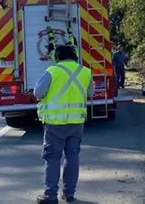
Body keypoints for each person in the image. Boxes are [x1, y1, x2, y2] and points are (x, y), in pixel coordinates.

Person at [34, 45, 94, 204]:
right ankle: (69, 193)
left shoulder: (53, 71)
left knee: (53, 158)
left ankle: (50, 196)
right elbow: (90, 92)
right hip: (77, 123)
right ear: (74, 56)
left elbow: (38, 93)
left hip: (55, 123)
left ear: (57, 57)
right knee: (72, 157)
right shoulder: (86, 72)